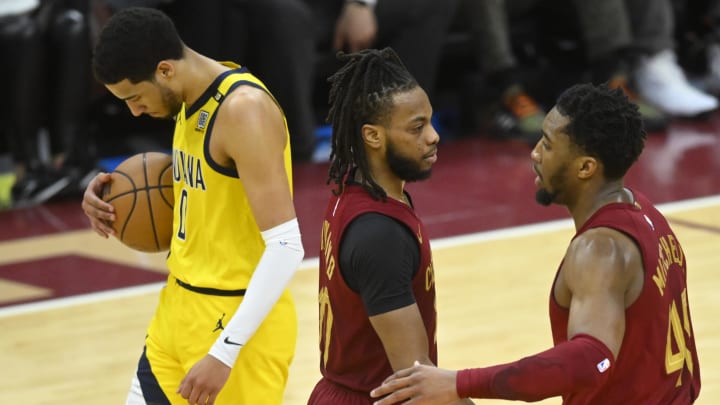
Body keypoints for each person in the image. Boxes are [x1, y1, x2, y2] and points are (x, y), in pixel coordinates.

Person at [370, 83, 701, 404]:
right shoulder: (646, 213)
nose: (535, 153)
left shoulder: (600, 250)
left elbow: (591, 359)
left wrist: (459, 382)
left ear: (586, 167)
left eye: (548, 143)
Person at [81, 7, 304, 405]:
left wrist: (224, 352)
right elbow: (201, 192)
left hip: (234, 329)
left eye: (134, 97)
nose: (133, 111)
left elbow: (287, 246)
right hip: (178, 308)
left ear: (165, 70)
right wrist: (109, 195)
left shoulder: (243, 111)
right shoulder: (188, 98)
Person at [307, 47, 471, 405]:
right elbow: (414, 379)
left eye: (430, 121)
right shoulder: (379, 234)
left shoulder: (353, 190)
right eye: (417, 127)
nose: (434, 136)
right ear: (373, 136)